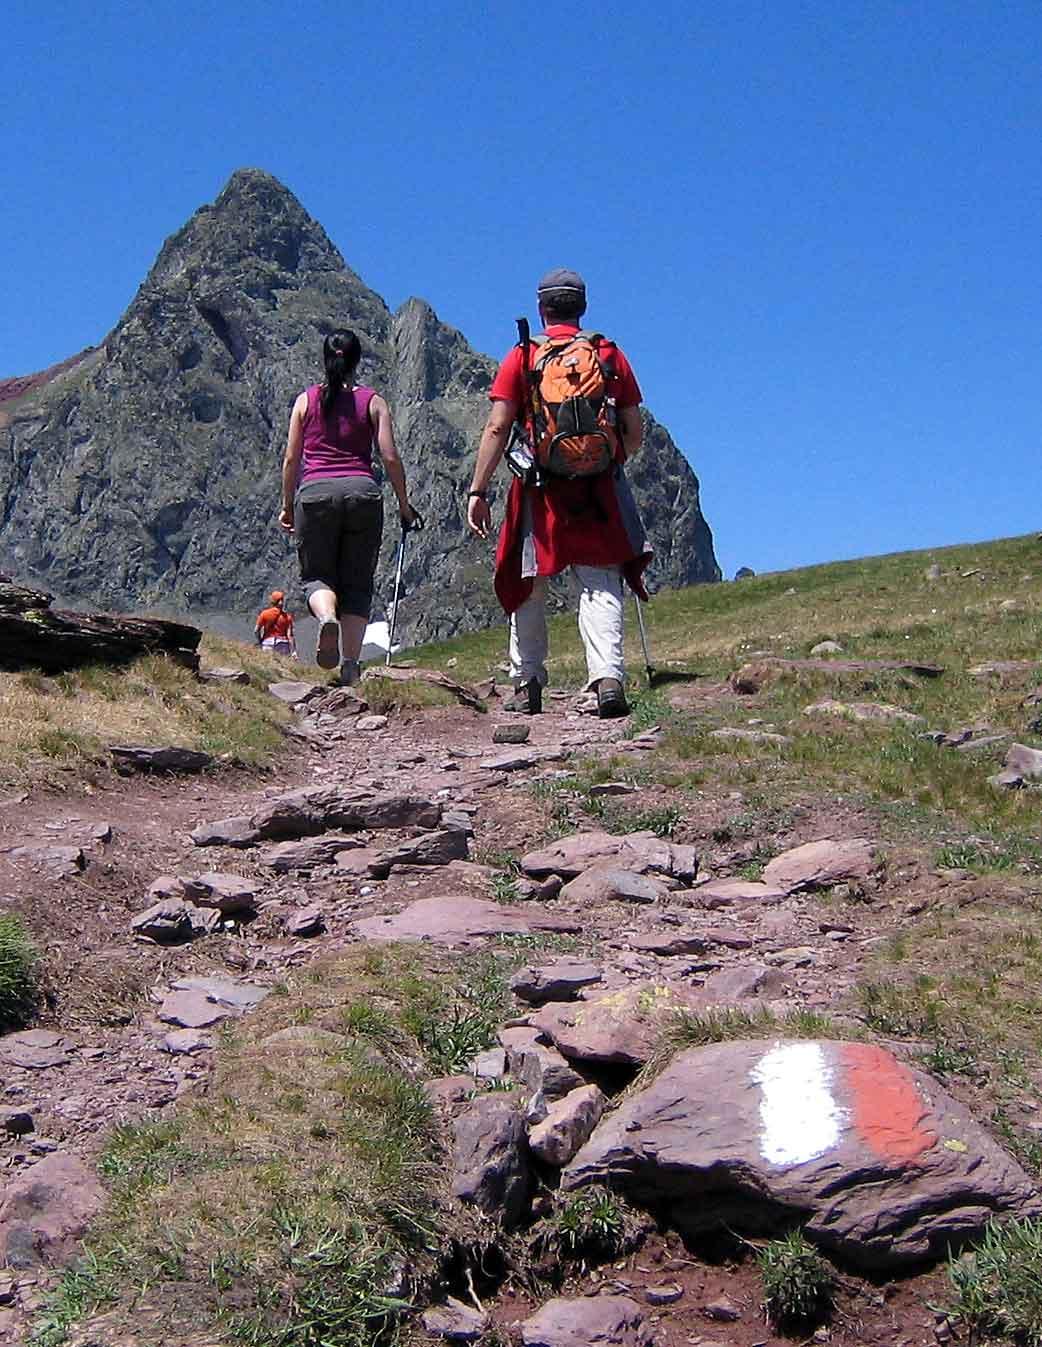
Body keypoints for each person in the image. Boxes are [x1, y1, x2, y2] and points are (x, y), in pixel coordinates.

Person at [467, 269, 651, 717]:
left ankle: (527, 683)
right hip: (597, 489)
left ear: (541, 308)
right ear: (582, 307)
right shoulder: (607, 353)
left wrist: (478, 489)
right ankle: (607, 677)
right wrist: (608, 461)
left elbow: (497, 426)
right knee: (600, 579)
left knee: (530, 580)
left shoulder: (523, 356)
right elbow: (633, 430)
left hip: (538, 489)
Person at [280, 330, 417, 685]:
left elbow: (292, 458)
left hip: (314, 494)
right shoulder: (374, 402)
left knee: (317, 575)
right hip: (363, 494)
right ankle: (352, 664)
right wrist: (404, 504)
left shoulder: (305, 402)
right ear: (357, 360)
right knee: (357, 583)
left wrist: (287, 505)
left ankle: (327, 618)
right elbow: (389, 456)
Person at [254, 590, 297, 657]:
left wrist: (260, 641)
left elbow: (256, 630)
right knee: (283, 666)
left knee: (267, 664)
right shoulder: (287, 617)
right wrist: (294, 651)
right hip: (283, 644)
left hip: (268, 643)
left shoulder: (264, 614)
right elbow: (290, 636)